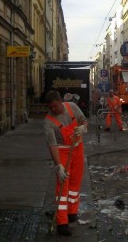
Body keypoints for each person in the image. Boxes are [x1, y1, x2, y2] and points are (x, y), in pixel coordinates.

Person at [43, 91, 88, 236]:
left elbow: (83, 120)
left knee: (75, 183)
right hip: (62, 152)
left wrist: (83, 127)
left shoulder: (72, 107)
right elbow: (52, 145)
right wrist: (59, 166)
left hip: (77, 148)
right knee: (63, 186)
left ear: (60, 101)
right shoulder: (48, 122)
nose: (53, 110)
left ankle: (72, 213)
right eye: (50, 107)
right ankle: (62, 223)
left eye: (55, 106)